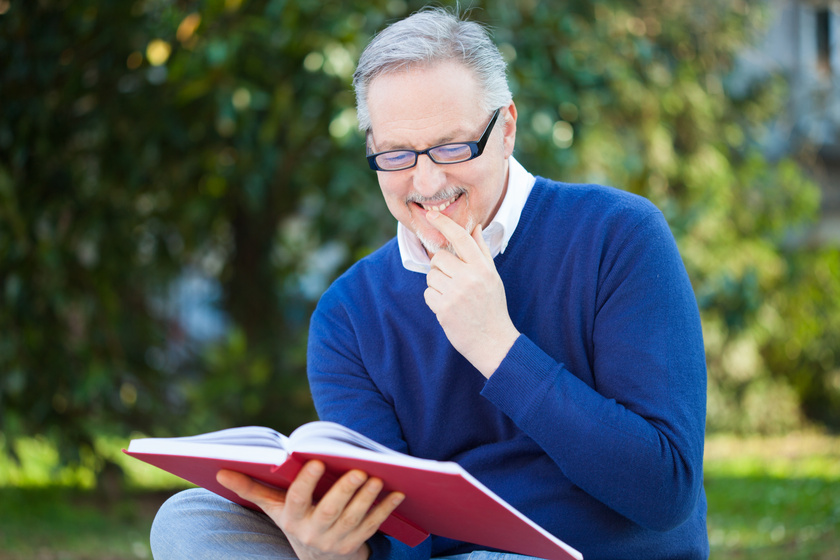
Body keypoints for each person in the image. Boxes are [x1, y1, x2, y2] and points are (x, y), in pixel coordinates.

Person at [150, 6, 709, 560]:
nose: (426, 181)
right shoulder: (349, 314)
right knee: (191, 521)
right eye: (396, 155)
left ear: (506, 128)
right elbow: (394, 535)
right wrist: (337, 552)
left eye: (452, 147)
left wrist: (497, 346)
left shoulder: (617, 235)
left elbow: (663, 492)